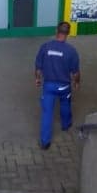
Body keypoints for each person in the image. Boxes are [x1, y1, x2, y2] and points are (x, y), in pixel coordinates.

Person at [34, 21, 80, 150]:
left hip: (48, 86)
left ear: (56, 31)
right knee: (65, 104)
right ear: (68, 34)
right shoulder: (71, 51)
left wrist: (37, 79)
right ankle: (66, 125)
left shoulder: (45, 47)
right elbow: (75, 72)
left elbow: (38, 67)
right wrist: (76, 82)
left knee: (47, 112)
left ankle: (45, 142)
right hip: (64, 87)